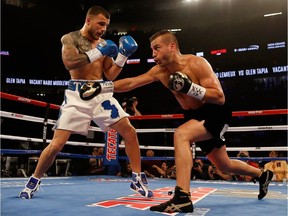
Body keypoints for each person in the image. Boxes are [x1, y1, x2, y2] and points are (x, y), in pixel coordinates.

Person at [108, 30, 273, 212]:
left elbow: (219, 97)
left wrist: (190, 87)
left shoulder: (197, 63)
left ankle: (182, 197)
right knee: (223, 164)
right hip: (193, 116)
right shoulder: (159, 71)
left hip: (215, 112)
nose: (153, 54)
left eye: (157, 48)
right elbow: (131, 82)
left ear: (172, 47)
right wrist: (102, 87)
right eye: (152, 50)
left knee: (181, 134)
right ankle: (262, 174)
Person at [18, 6, 153, 199]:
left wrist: (122, 56)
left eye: (106, 25)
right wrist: (98, 52)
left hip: (100, 93)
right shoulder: (70, 38)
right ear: (88, 20)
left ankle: (137, 178)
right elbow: (70, 62)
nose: (103, 29)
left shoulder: (104, 43)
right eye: (100, 24)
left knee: (129, 131)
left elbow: (110, 74)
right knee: (57, 144)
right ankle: (34, 180)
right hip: (77, 95)